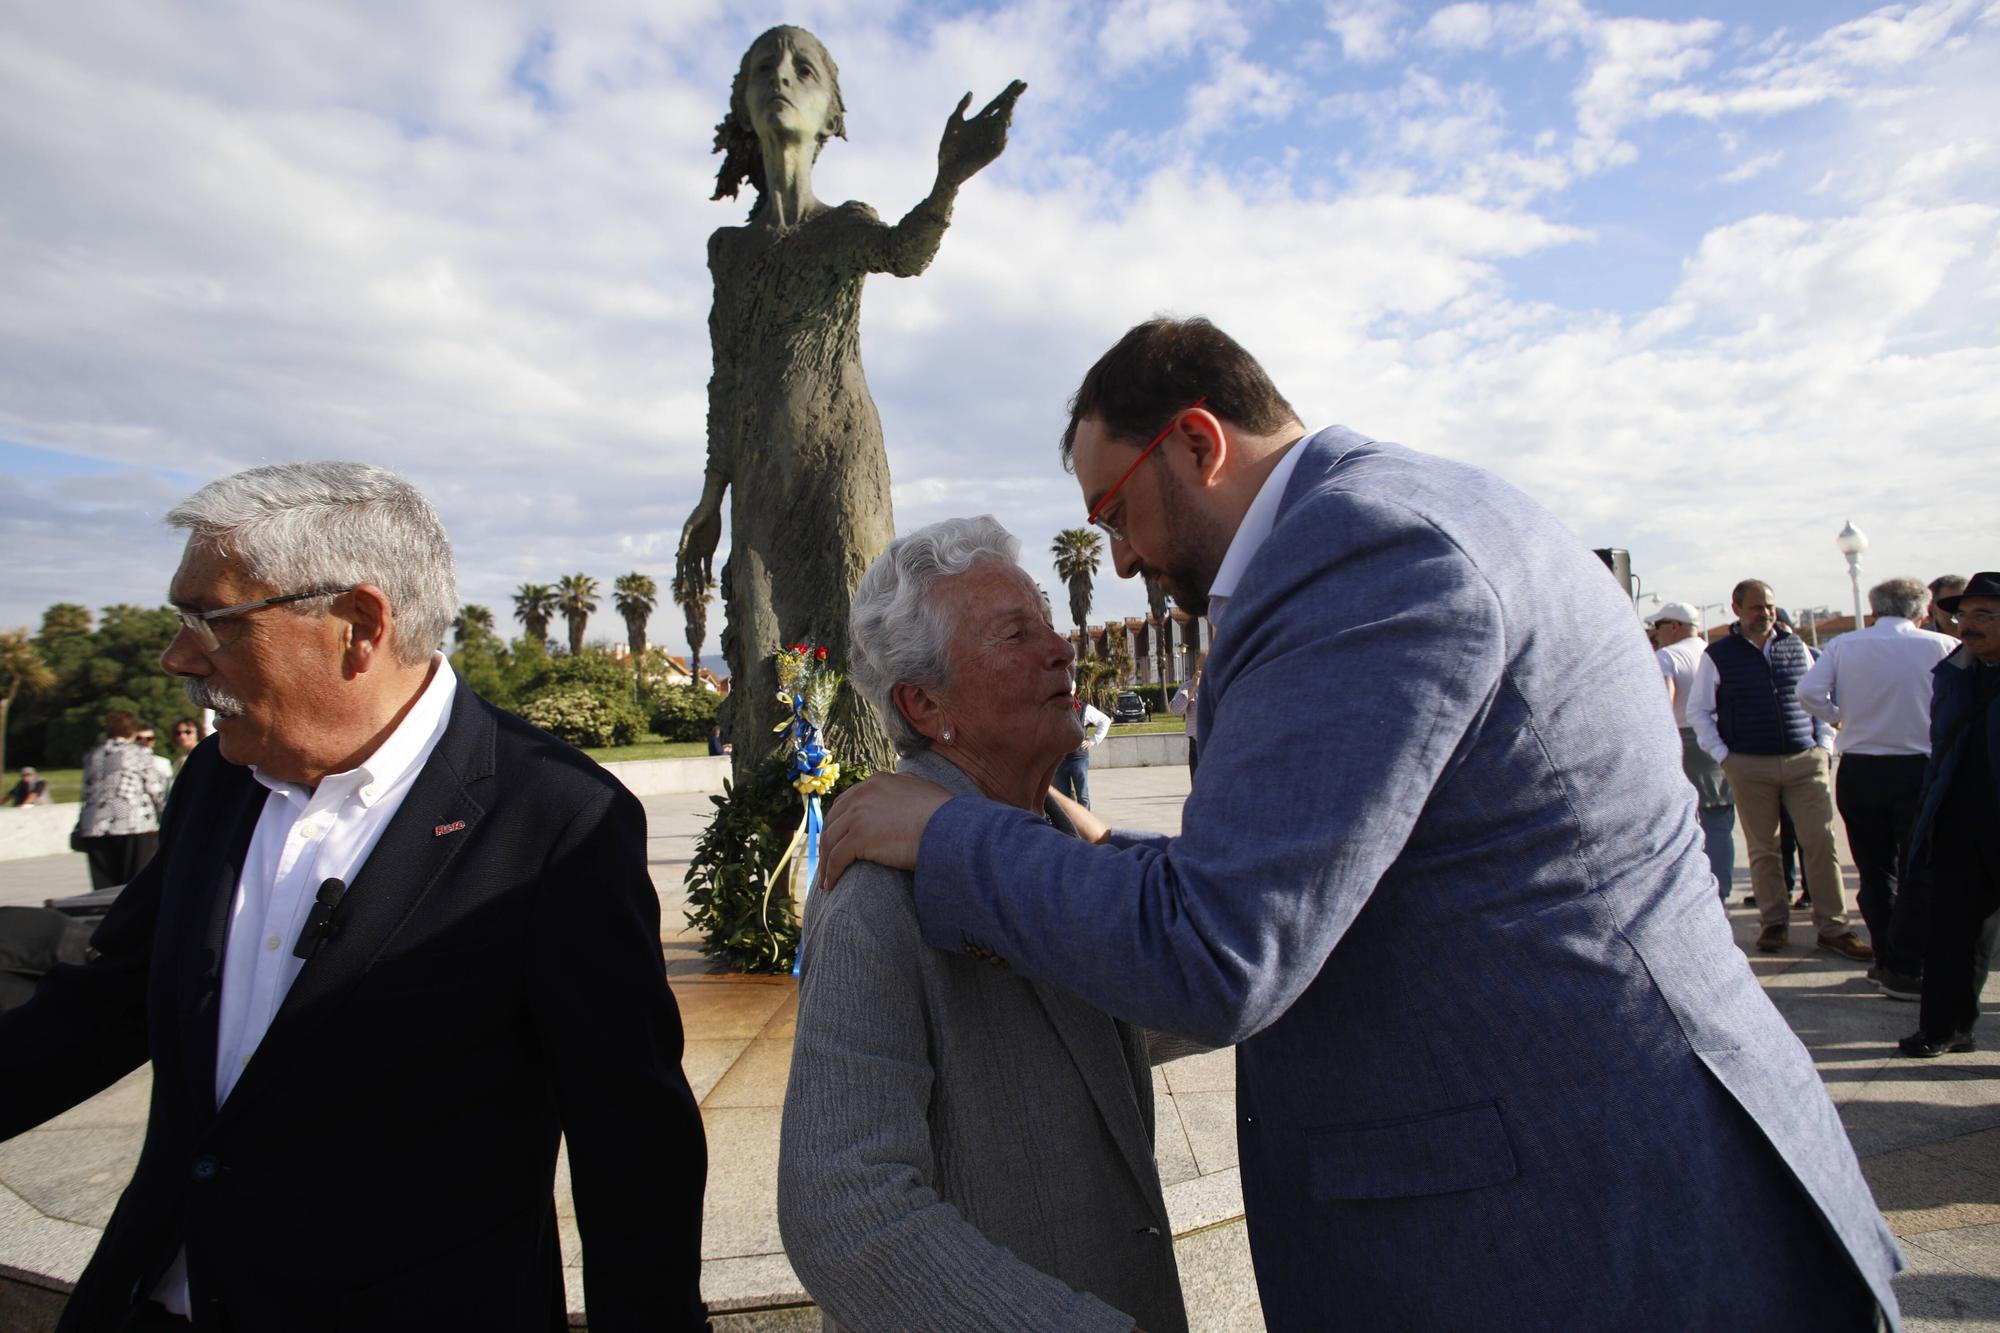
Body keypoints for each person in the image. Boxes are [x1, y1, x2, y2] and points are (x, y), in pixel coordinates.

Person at [817, 317, 1901, 1328]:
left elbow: (1224, 949)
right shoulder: (1413, 511)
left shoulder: (1363, 554)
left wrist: (952, 836)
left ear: (1195, 442)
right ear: (923, 698)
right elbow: (1342, 874)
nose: (1122, 563)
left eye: (1112, 513)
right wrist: (1116, 866)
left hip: (1582, 1235)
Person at [0, 462, 707, 1331]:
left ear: (358, 625)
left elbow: (629, 1139)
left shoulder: (556, 818)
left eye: (210, 620)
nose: (178, 655)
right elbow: (110, 1003)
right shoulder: (221, 780)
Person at [778, 517, 1188, 1333]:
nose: (1062, 647)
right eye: (1015, 632)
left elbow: (1152, 992)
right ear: (925, 703)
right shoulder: (879, 888)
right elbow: (843, 1207)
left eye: (1046, 617)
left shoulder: (1046, 840)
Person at [674, 24, 1025, 771]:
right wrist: (712, 496)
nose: (783, 75)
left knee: (859, 628)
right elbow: (727, 374)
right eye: (765, 66)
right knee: (766, 638)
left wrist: (948, 181)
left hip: (842, 461)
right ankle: (772, 829)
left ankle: (879, 807)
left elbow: (905, 252)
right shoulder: (729, 252)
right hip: (762, 476)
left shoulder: (843, 226)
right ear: (741, 104)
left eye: (804, 68)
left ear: (833, 113)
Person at [1687, 581, 1871, 960]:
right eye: (1756, 607)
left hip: (1804, 760)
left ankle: (1834, 927)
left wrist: (1823, 745)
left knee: (1820, 842)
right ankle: (1774, 922)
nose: (1765, 613)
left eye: (1769, 606)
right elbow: (1699, 710)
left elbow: (1819, 698)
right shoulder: (1718, 655)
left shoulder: (1796, 647)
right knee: (1764, 847)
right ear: (1737, 609)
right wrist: (1724, 754)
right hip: (1748, 764)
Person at [1797, 578, 1956, 1001]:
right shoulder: (1939, 645)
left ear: (1873, 607)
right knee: (1917, 871)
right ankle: (1904, 966)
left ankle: (1885, 959)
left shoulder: (1845, 645)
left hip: (1861, 767)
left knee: (1874, 870)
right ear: (1921, 609)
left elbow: (1808, 692)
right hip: (1919, 766)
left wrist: (1838, 716)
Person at [1896, 571, 2000, 1057]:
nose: (1968, 625)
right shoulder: (1955, 670)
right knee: (1952, 931)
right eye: (1964, 615)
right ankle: (1945, 1027)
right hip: (1960, 818)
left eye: (1984, 615)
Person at [1648, 602, 1736, 901]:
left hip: (1684, 740)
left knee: (1680, 823)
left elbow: (1663, 707)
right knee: (1720, 821)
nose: (1655, 634)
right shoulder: (1717, 653)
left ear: (1673, 626)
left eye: (1657, 627)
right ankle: (1721, 892)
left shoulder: (1668, 656)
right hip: (1721, 740)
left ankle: (1693, 894)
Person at [72, 710, 167, 889]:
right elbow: (155, 789)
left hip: (95, 826)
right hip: (134, 824)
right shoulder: (139, 753)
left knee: (104, 888)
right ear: (133, 730)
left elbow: (87, 791)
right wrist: (165, 816)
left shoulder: (93, 755)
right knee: (135, 885)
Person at [1053, 687, 1111, 809]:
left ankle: (1085, 825)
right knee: (1063, 797)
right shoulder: (1054, 708)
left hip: (1078, 758)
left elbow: (1105, 720)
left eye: (1069, 691)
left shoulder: (1084, 709)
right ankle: (1068, 825)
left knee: (1083, 795)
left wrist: (1093, 740)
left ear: (1074, 691)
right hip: (1059, 759)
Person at [1168, 657, 1204, 778]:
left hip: (1218, 744)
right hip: (1197, 744)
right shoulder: (1188, 686)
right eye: (1202, 666)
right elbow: (1176, 710)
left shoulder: (1223, 685)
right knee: (1198, 786)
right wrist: (1192, 689)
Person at [134, 724, 176, 792]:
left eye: (149, 739)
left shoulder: (163, 763)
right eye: (139, 738)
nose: (144, 741)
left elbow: (169, 789)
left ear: (154, 741)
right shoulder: (125, 763)